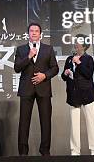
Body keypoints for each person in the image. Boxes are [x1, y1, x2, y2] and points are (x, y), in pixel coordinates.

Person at [14, 23, 59, 156]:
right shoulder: (21, 49)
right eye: (31, 31)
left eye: (36, 31)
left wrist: (44, 75)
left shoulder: (48, 49)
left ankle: (45, 151)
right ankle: (23, 152)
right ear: (28, 33)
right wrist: (28, 57)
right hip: (26, 89)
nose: (34, 33)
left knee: (45, 121)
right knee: (24, 122)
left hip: (43, 88)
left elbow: (55, 68)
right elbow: (17, 68)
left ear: (40, 34)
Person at [61, 35, 94, 155]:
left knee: (91, 122)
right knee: (74, 124)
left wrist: (78, 62)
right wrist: (66, 72)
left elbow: (88, 74)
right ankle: (75, 150)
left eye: (78, 42)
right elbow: (63, 77)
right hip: (73, 94)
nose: (76, 44)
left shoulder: (88, 59)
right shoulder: (69, 59)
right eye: (75, 41)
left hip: (87, 94)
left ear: (84, 46)